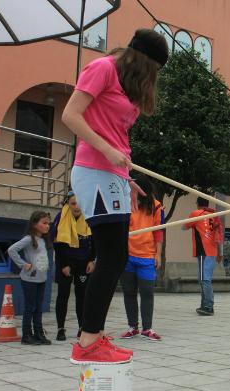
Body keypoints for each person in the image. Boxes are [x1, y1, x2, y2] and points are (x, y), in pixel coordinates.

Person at [62, 28, 169, 364]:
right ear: (143, 61)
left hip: (112, 173)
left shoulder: (124, 81)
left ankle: (91, 335)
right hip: (94, 169)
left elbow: (115, 133)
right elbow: (70, 115)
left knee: (115, 256)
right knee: (112, 256)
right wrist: (108, 151)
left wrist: (127, 179)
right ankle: (88, 340)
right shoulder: (103, 68)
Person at [120, 175, 164, 341]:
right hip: (128, 254)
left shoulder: (156, 206)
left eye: (134, 188)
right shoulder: (126, 202)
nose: (131, 191)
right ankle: (133, 327)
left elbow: (159, 231)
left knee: (147, 292)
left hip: (146, 255)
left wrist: (158, 254)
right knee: (128, 292)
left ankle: (147, 328)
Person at [51, 191, 95, 341]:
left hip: (83, 263)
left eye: (79, 203)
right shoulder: (61, 218)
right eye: (73, 203)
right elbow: (57, 243)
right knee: (63, 295)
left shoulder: (89, 217)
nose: (76, 207)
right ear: (67, 204)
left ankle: (82, 327)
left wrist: (91, 260)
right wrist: (63, 265)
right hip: (66, 263)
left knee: (82, 296)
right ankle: (60, 328)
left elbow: (95, 241)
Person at [8, 211, 51, 345]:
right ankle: (26, 335)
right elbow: (11, 250)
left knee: (38, 307)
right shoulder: (28, 238)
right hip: (29, 279)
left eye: (48, 223)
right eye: (44, 223)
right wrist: (23, 264)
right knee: (30, 307)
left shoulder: (43, 240)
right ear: (34, 224)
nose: (47, 226)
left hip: (41, 279)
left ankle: (39, 333)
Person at [183, 197, 224, 316]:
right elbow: (220, 234)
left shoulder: (196, 214)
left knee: (204, 279)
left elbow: (184, 227)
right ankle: (204, 304)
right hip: (212, 251)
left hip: (203, 251)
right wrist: (220, 252)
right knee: (205, 279)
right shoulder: (214, 215)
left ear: (197, 204)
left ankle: (208, 306)